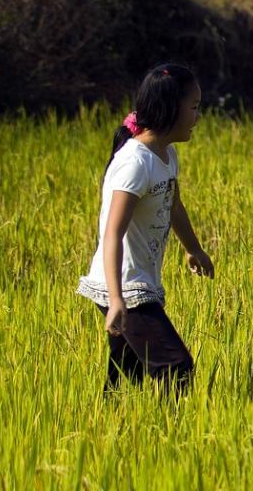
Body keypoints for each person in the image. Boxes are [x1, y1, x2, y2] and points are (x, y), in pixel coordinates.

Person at [77, 63, 214, 395]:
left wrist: (192, 248)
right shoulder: (135, 163)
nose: (198, 117)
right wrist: (116, 299)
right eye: (193, 108)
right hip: (125, 286)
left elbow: (173, 205)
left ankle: (114, 432)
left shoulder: (165, 155)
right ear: (170, 109)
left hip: (134, 282)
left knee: (126, 376)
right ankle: (173, 439)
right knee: (175, 367)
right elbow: (112, 234)